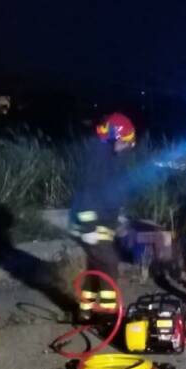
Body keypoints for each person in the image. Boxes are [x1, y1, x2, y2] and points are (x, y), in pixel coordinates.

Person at [69, 112, 136, 323]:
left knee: (96, 266)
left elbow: (111, 192)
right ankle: (107, 314)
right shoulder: (97, 155)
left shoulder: (109, 156)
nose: (128, 147)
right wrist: (88, 227)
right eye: (126, 142)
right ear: (115, 137)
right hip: (91, 224)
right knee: (109, 263)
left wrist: (119, 220)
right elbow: (87, 192)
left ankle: (85, 310)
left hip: (102, 224)